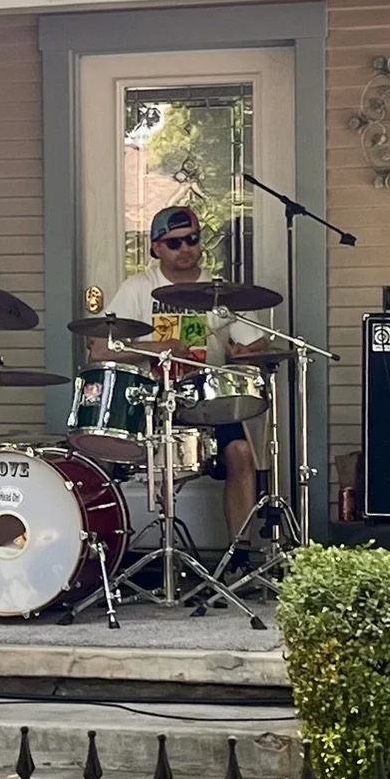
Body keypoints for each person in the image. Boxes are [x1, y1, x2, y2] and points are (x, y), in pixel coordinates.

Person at [91, 205, 268, 566]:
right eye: (174, 243)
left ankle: (240, 554)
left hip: (206, 399)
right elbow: (99, 347)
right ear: (156, 248)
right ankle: (104, 552)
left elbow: (257, 343)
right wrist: (155, 348)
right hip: (149, 401)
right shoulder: (139, 288)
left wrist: (243, 351)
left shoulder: (219, 293)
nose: (185, 248)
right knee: (102, 449)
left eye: (192, 239)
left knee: (241, 454)